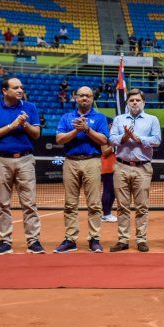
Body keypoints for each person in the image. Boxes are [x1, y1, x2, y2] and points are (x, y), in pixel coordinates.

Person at [0, 77, 44, 255]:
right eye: (15, 87)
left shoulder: (30, 107)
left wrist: (24, 124)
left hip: (25, 159)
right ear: (4, 91)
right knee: (2, 203)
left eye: (21, 87)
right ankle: (4, 241)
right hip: (0, 160)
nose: (20, 90)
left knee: (29, 203)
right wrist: (12, 125)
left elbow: (36, 134)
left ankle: (33, 241)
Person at [53, 87, 109, 254]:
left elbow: (104, 140)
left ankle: (94, 238)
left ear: (92, 99)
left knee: (94, 204)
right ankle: (70, 239)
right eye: (81, 95)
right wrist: (76, 130)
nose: (85, 98)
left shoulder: (99, 118)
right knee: (70, 203)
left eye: (88, 96)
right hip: (71, 162)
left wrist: (87, 129)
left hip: (92, 161)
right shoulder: (67, 117)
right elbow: (59, 138)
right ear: (75, 98)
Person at [108, 89, 161, 252]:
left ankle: (141, 239)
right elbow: (111, 139)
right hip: (121, 166)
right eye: (132, 100)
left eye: (138, 100)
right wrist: (124, 138)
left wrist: (139, 139)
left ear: (143, 102)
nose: (135, 103)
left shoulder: (152, 120)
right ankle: (123, 240)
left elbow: (157, 140)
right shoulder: (119, 119)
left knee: (141, 206)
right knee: (122, 206)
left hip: (142, 167)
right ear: (128, 103)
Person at [100, 118, 117, 223]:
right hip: (107, 166)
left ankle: (108, 213)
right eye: (112, 124)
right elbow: (105, 151)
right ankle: (106, 214)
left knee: (113, 191)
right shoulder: (103, 136)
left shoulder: (111, 136)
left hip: (114, 166)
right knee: (108, 190)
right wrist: (115, 145)